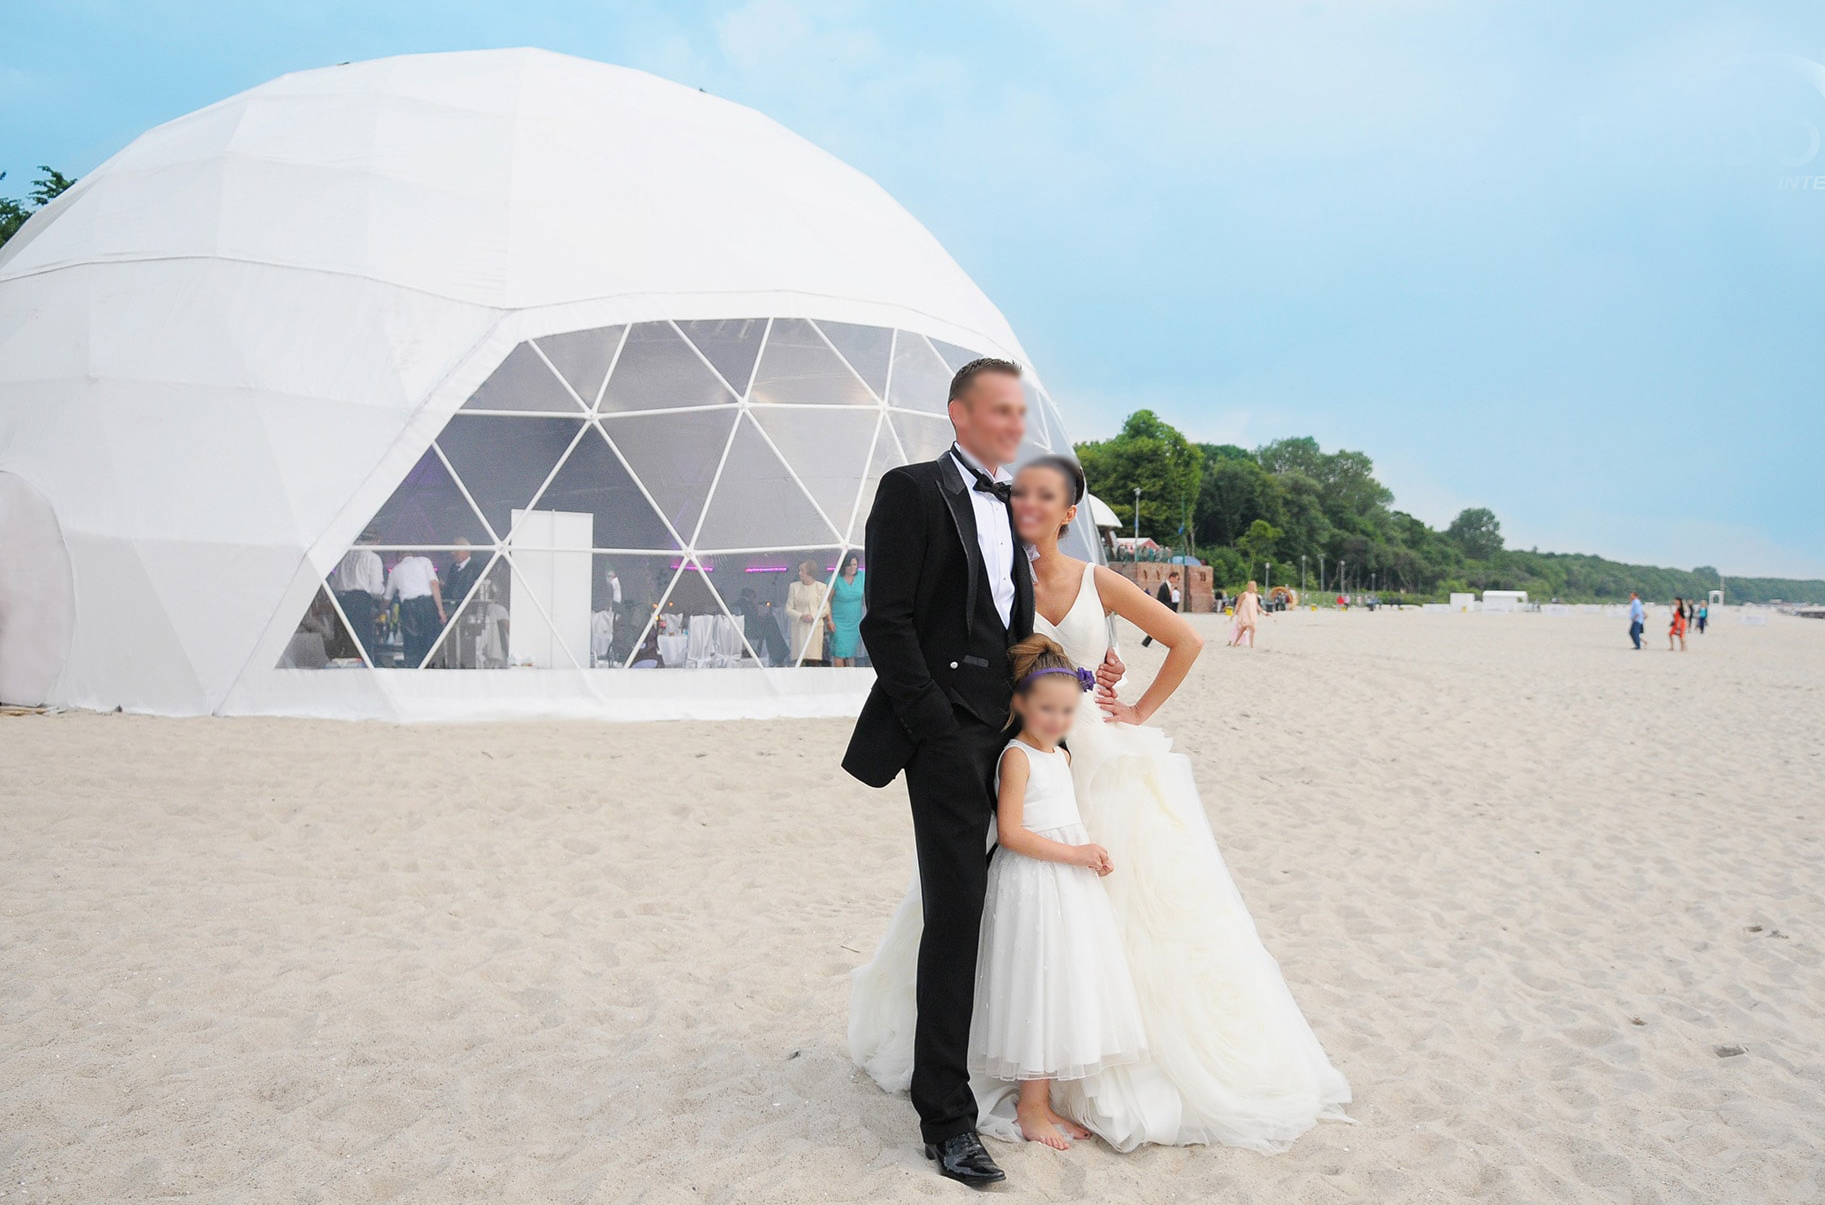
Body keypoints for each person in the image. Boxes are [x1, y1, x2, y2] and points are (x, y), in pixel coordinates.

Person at [851, 454, 1349, 1155]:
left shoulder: (1096, 578)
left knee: (1113, 909)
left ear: (1067, 511)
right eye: (1019, 491)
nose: (1027, 503)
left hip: (1094, 756)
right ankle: (1004, 1066)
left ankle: (1086, 1064)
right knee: (999, 899)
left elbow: (1183, 638)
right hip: (1018, 748)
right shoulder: (994, 573)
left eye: (1044, 495)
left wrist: (1132, 703)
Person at [841, 358, 1121, 1187]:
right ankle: (947, 1118)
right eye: (999, 410)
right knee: (958, 913)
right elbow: (884, 621)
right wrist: (934, 727)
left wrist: (1062, 697)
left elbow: (1013, 626)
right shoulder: (911, 489)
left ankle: (1010, 1078)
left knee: (1018, 903)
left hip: (1012, 736)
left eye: (1019, 411)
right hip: (944, 738)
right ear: (958, 414)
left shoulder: (1012, 506)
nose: (1013, 424)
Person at [970, 634, 1146, 1149]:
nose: (1056, 719)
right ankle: (1030, 1106)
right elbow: (1012, 834)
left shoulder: (1061, 758)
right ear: (1021, 702)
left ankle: (1041, 1101)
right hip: (1031, 881)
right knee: (1035, 982)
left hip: (1067, 883)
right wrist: (1078, 854)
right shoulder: (1017, 757)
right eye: (1046, 708)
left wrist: (1086, 852)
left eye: (1067, 710)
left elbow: (1063, 819)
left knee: (1059, 982)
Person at [330, 530, 386, 662]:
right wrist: (384, 592)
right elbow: (375, 588)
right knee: (361, 641)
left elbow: (333, 583)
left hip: (341, 601)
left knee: (343, 641)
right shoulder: (372, 558)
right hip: (360, 601)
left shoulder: (344, 556)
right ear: (376, 541)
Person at [384, 550, 445, 668]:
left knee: (412, 646)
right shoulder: (424, 561)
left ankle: (414, 674)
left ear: (399, 557)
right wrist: (440, 609)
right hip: (427, 605)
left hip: (408, 608)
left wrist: (381, 611)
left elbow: (387, 597)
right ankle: (433, 671)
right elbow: (433, 584)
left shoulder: (396, 570)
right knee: (431, 643)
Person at [787, 559, 831, 666]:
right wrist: (801, 616)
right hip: (799, 628)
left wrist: (813, 616)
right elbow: (788, 609)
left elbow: (826, 608)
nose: (799, 573)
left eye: (802, 570)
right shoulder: (794, 587)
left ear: (810, 572)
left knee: (814, 658)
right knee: (800, 659)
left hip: (815, 627)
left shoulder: (821, 587)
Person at [829, 553, 866, 666]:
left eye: (855, 564)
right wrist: (829, 620)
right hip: (839, 622)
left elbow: (867, 596)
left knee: (853, 652)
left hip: (856, 621)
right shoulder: (835, 579)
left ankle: (851, 677)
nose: (853, 567)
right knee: (840, 651)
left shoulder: (862, 576)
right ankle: (839, 677)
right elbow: (827, 601)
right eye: (850, 565)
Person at [1140, 570, 1180, 647]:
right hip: (1164, 610)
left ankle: (1148, 641)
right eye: (1176, 579)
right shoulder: (1163, 586)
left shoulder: (1169, 586)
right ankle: (1147, 641)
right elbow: (1161, 599)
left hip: (1167, 610)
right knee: (1159, 627)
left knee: (1165, 626)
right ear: (1172, 577)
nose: (1177, 581)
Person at [1230, 579, 1263, 647]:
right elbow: (1238, 604)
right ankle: (1251, 645)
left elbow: (1256, 605)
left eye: (1254, 585)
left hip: (1251, 614)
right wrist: (1234, 613)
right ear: (1248, 586)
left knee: (1242, 630)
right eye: (1251, 585)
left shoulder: (1255, 595)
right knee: (1253, 629)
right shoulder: (1244, 594)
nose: (1253, 587)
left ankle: (1235, 643)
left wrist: (1264, 612)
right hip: (1244, 614)